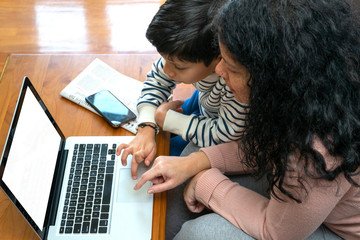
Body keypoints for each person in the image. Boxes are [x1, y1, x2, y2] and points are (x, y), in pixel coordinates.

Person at [134, 0, 360, 239]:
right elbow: (265, 147)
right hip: (303, 186)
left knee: (201, 234)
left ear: (271, 78)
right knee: (189, 159)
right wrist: (197, 162)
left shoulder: (319, 149)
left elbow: (276, 232)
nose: (219, 70)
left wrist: (203, 181)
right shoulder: (305, 93)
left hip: (334, 229)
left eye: (232, 68)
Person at [116, 0, 249, 178]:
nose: (167, 70)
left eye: (179, 66)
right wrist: (146, 126)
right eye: (165, 59)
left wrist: (167, 119)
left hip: (229, 133)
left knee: (167, 160)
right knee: (156, 141)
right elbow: (156, 81)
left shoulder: (236, 86)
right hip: (205, 105)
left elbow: (226, 134)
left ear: (219, 58)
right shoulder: (185, 52)